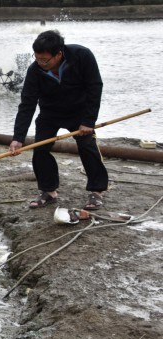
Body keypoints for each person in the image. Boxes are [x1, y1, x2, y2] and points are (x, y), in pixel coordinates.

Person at [9, 30, 108, 210]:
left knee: (87, 146)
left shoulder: (82, 56)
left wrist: (88, 120)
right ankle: (48, 191)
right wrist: (18, 138)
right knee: (40, 148)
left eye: (44, 60)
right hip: (50, 113)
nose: (40, 63)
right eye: (37, 58)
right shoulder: (35, 70)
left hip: (80, 112)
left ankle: (97, 191)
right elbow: (27, 104)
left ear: (59, 54)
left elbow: (95, 88)